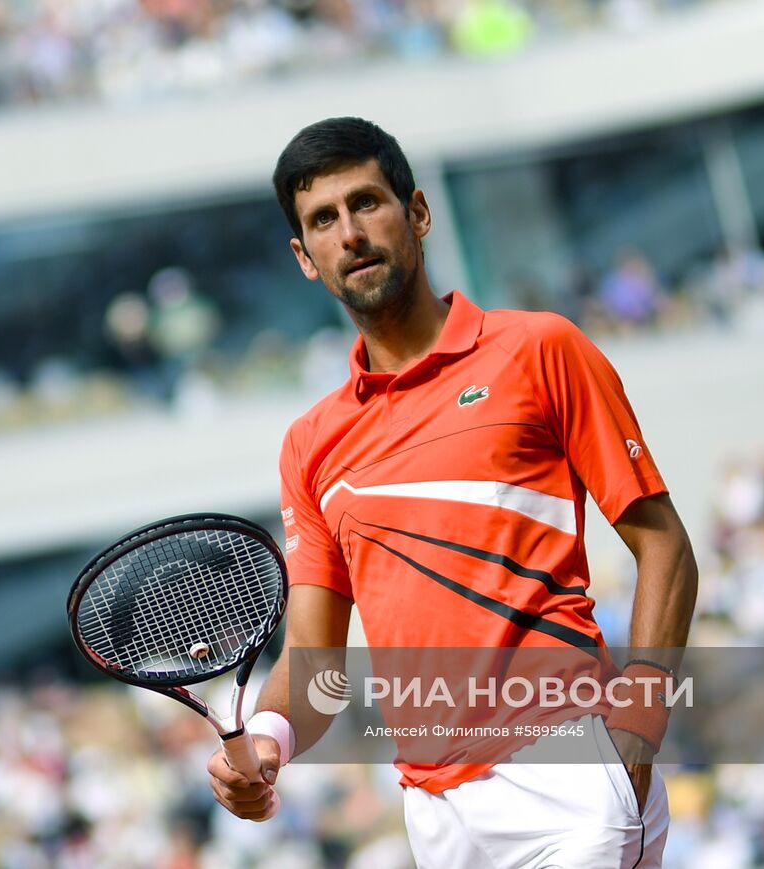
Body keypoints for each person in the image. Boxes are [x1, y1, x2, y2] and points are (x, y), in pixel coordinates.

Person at [206, 117, 699, 868]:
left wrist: (639, 721)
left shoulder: (539, 349)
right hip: (435, 816)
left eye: (367, 202)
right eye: (323, 221)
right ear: (305, 258)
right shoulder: (309, 445)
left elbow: (664, 544)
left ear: (419, 213)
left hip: (565, 770)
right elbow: (313, 660)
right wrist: (267, 741)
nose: (351, 232)